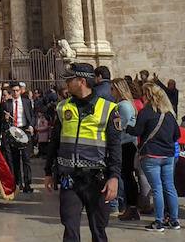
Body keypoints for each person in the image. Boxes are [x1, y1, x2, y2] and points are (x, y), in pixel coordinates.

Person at [44, 63, 121, 242]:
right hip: (69, 178)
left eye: (70, 80)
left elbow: (115, 147)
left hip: (97, 179)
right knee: (70, 228)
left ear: (81, 81)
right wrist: (48, 171)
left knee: (98, 230)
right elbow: (54, 141)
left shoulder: (109, 109)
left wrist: (114, 177)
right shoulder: (63, 107)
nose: (66, 84)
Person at [125, 82, 180, 232]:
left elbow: (136, 131)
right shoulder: (169, 113)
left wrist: (125, 127)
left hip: (151, 155)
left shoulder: (146, 112)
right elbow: (177, 135)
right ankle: (174, 221)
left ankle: (159, 222)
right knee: (169, 187)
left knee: (157, 188)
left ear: (147, 95)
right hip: (168, 155)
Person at [110, 78, 139, 221]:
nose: (111, 92)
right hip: (126, 143)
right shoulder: (125, 104)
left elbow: (121, 127)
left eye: (112, 89)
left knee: (126, 176)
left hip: (125, 144)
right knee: (126, 176)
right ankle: (130, 206)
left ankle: (130, 206)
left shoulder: (123, 106)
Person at [1, 80, 34, 193]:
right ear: (11, 91)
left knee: (26, 159)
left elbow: (31, 115)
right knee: (15, 159)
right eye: (13, 91)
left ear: (20, 91)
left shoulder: (26, 102)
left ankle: (28, 183)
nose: (15, 93)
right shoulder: (7, 103)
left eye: (17, 90)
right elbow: (1, 119)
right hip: (13, 132)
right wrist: (5, 119)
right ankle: (18, 182)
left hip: (24, 130)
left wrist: (31, 126)